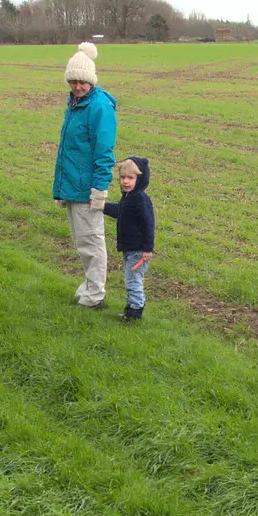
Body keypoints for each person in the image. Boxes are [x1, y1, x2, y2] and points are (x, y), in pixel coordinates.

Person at [52, 42, 117, 308]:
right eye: (73, 81)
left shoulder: (99, 107)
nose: (77, 86)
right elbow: (70, 148)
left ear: (91, 80)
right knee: (82, 242)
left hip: (87, 188)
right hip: (73, 185)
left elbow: (104, 153)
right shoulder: (76, 103)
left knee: (91, 242)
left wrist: (99, 190)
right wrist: (61, 187)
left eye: (82, 81)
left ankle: (95, 295)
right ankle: (90, 285)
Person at [102, 156, 154, 321]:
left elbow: (148, 225)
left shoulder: (140, 199)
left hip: (138, 250)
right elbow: (120, 212)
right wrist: (102, 206)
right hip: (130, 248)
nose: (125, 181)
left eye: (130, 178)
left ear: (139, 179)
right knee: (131, 279)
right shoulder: (128, 198)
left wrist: (147, 249)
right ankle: (131, 308)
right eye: (123, 177)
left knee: (133, 281)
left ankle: (135, 312)